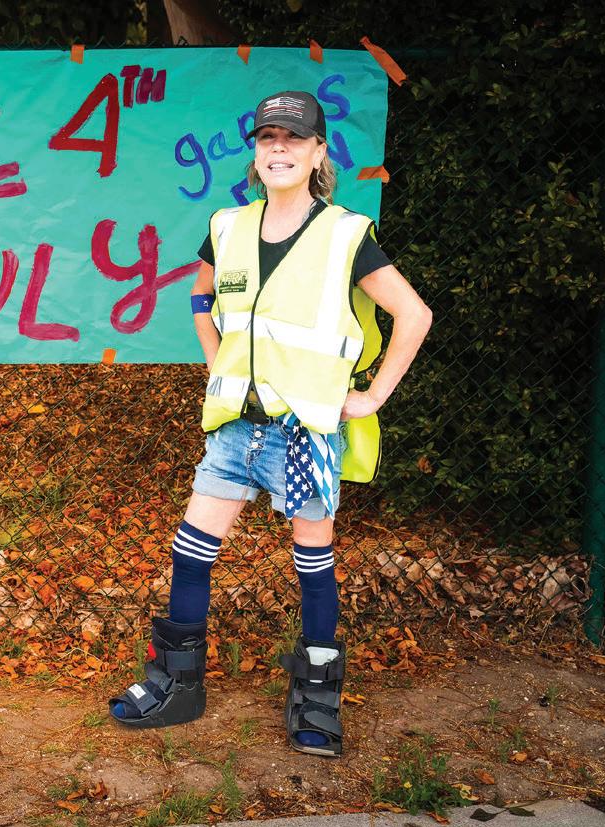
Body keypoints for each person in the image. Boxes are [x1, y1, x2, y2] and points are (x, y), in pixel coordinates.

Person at [107, 91, 432, 757]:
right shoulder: (227, 226)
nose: (278, 148)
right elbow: (200, 295)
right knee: (190, 551)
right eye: (267, 138)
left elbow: (415, 314)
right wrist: (216, 362)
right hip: (235, 428)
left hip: (304, 432)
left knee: (313, 563)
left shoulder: (345, 234)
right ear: (255, 154)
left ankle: (316, 696)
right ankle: (178, 682)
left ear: (317, 153)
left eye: (293, 138)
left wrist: (372, 397)